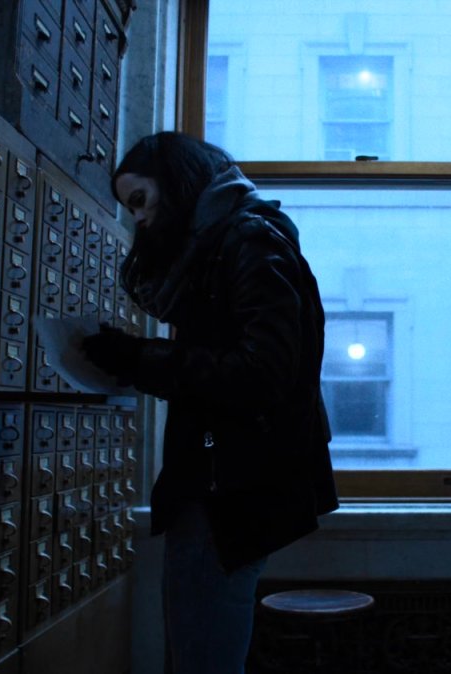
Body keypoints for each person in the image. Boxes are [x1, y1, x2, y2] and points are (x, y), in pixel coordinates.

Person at [80, 131, 339, 673]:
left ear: (177, 185)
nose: (138, 221)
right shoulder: (225, 245)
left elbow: (259, 374)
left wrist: (138, 357)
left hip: (229, 492)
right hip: (223, 483)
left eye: (141, 201)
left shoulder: (248, 240)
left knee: (203, 662)